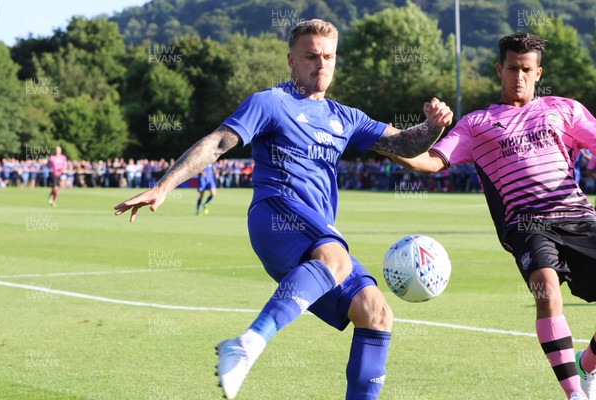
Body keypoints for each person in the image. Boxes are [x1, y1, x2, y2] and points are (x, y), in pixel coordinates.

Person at [114, 19, 452, 399]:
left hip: (314, 240)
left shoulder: (346, 118)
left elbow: (406, 145)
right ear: (292, 60)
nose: (321, 64)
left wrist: (434, 126)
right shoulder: (270, 102)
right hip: (276, 213)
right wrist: (163, 186)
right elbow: (218, 143)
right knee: (336, 258)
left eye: (328, 56)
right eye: (311, 56)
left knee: (375, 313)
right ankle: (246, 345)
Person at [392, 32, 596, 400]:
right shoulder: (476, 124)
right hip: (527, 224)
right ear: (499, 69)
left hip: (578, 216)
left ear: (538, 73)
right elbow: (429, 163)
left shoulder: (564, 109)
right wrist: (388, 141)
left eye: (526, 69)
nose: (518, 76)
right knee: (546, 290)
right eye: (512, 68)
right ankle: (575, 395)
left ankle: (588, 364)